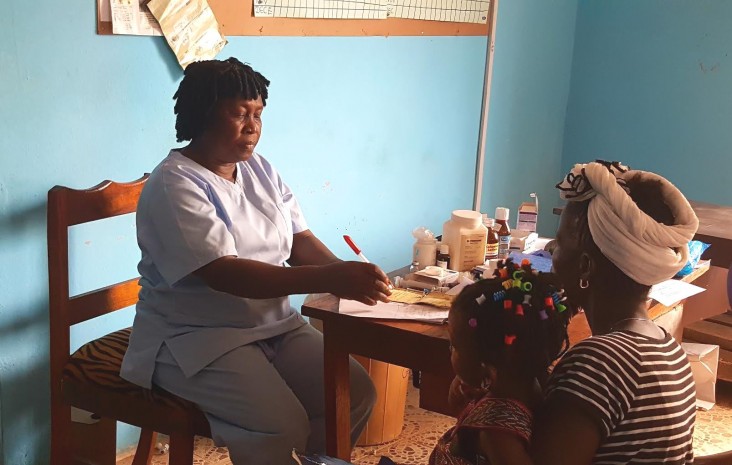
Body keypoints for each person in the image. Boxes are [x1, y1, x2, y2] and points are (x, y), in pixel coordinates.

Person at [119, 57, 392, 465]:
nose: (252, 126)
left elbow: (300, 241)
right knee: (281, 425)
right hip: (195, 338)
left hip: (271, 325)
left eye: (258, 115)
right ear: (203, 114)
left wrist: (344, 276)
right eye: (239, 114)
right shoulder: (173, 184)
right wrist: (330, 275)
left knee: (353, 394)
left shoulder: (259, 169)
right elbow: (225, 273)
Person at [483, 161, 700, 464]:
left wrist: (491, 421)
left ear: (585, 266)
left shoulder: (598, 361)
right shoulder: (667, 347)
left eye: (560, 243)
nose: (551, 251)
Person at [429, 258, 577, 465]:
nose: (451, 351)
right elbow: (458, 410)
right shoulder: (534, 383)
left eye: (454, 346)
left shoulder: (497, 434)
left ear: (487, 369)